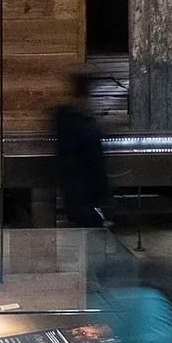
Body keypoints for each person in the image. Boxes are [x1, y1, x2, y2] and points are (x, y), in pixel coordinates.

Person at [52, 64, 112, 227]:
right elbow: (95, 165)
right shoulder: (85, 123)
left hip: (72, 190)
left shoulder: (62, 116)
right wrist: (105, 204)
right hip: (88, 194)